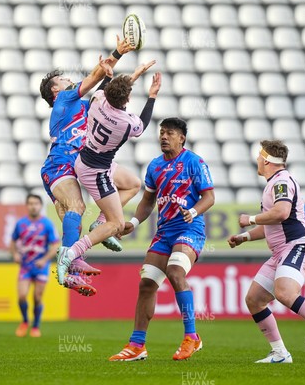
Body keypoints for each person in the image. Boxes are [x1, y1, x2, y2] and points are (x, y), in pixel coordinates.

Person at [39, 37, 142, 295]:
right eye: (62, 79)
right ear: (55, 90)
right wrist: (118, 52)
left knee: (126, 186)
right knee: (77, 207)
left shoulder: (82, 105)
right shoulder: (63, 100)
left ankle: (71, 271)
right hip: (60, 163)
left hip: (79, 163)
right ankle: (70, 260)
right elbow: (93, 79)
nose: (67, 81)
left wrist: (115, 71)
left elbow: (106, 92)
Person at [228, 140, 305, 364]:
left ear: (266, 159)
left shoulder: (281, 181)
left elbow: (281, 213)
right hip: (281, 252)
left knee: (284, 292)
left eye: (258, 156)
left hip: (296, 246)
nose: (256, 160)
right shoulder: (275, 183)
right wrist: (244, 236)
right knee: (254, 299)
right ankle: (280, 353)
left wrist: (249, 218)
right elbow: (271, 224)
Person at [108, 118, 215, 361]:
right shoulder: (155, 166)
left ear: (182, 138)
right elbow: (147, 201)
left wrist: (194, 211)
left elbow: (209, 197)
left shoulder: (194, 162)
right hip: (164, 232)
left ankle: (192, 337)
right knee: (146, 284)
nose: (164, 137)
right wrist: (133, 223)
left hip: (189, 229)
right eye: (161, 132)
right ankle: (137, 346)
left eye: (170, 133)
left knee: (175, 271)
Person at [55, 62, 160, 285]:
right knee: (117, 225)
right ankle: (72, 253)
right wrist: (152, 96)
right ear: (128, 100)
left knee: (132, 183)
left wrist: (134, 74)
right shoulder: (126, 123)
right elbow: (143, 122)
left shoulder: (97, 101)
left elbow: (111, 89)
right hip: (97, 172)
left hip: (86, 158)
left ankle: (99, 221)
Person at [9, 194, 61, 337]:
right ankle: (25, 321)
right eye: (30, 203)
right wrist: (15, 254)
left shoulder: (47, 224)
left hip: (40, 266)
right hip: (25, 265)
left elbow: (56, 244)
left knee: (37, 298)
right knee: (22, 296)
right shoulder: (20, 223)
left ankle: (36, 326)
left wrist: (44, 260)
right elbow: (13, 241)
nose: (33, 206)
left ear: (40, 205)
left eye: (36, 203)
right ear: (27, 205)